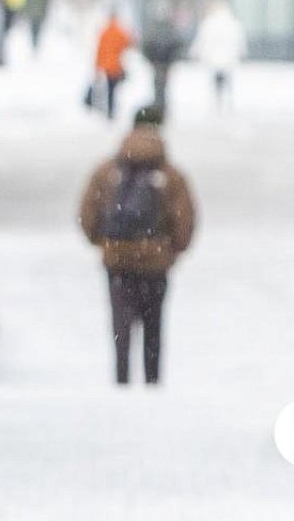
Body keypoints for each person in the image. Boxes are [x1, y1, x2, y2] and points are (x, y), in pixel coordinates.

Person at [79, 105, 196, 385]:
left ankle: (121, 379)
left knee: (121, 326)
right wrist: (169, 249)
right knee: (153, 326)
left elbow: (87, 214)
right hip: (155, 261)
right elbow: (185, 220)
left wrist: (106, 243)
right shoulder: (170, 174)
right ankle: (152, 380)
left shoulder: (107, 171)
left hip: (117, 260)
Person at [189, 0, 247, 109]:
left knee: (216, 78)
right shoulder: (233, 23)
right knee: (228, 78)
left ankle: (218, 99)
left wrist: (196, 52)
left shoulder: (209, 23)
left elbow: (202, 40)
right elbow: (240, 40)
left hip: (214, 57)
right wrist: (241, 51)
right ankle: (228, 99)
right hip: (229, 57)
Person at [141, 15, 184, 118]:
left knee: (158, 85)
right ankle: (161, 107)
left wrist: (151, 61)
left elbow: (146, 46)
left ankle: (158, 106)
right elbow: (178, 46)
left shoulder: (154, 33)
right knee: (162, 86)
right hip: (164, 64)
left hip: (158, 64)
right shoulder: (171, 33)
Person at [93, 12, 132, 120]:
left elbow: (99, 50)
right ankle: (112, 109)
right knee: (114, 89)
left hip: (107, 66)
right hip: (117, 65)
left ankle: (111, 110)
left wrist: (97, 66)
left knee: (110, 89)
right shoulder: (120, 31)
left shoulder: (104, 32)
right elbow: (128, 43)